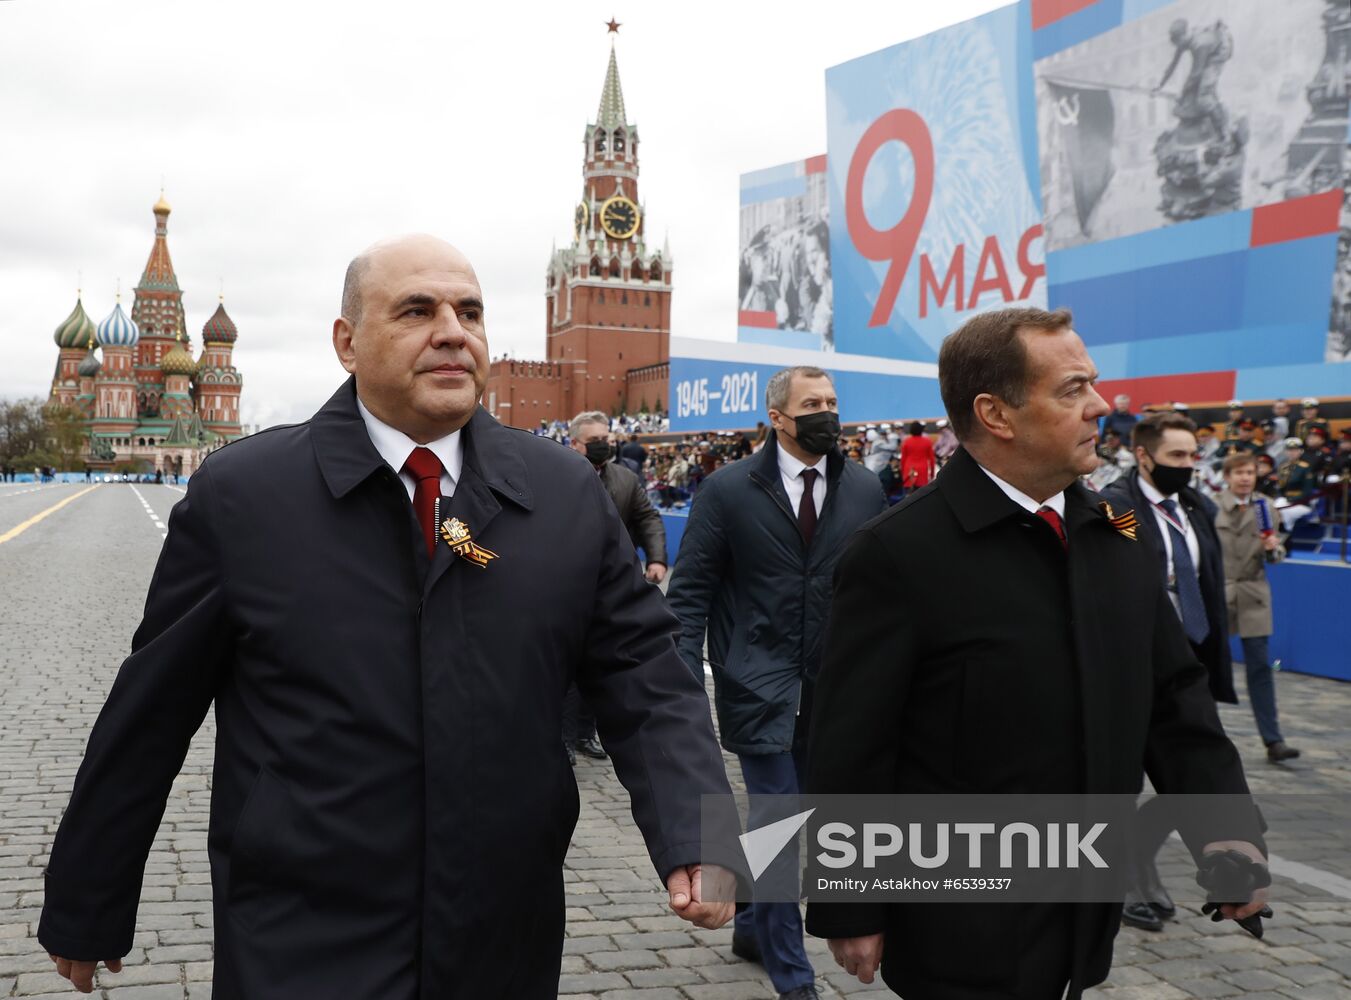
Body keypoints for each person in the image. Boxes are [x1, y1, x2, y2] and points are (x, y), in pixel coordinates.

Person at [39, 235, 736, 999]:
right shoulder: (246, 498)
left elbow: (647, 674)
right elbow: (150, 712)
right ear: (347, 343)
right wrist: (88, 894)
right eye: (416, 310)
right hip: (302, 940)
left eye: (469, 311)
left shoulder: (562, 494)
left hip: (499, 939)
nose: (451, 330)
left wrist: (699, 834)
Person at [807, 307, 1266, 1000]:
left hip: (1082, 914)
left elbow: (1173, 698)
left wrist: (1224, 831)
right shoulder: (898, 553)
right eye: (1072, 389)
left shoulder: (1118, 536)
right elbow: (850, 743)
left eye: (1093, 384)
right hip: (958, 924)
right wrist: (852, 902)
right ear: (996, 413)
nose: (1099, 406)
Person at [668, 365, 885, 1000]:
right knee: (778, 823)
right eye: (812, 403)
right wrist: (684, 690)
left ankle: (753, 929)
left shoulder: (866, 489)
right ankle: (794, 980)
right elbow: (689, 599)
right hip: (756, 685)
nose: (828, 413)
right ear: (777, 417)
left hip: (833, 693)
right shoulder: (728, 490)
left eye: (833, 401)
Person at [1100, 410, 1234, 932]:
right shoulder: (1118, 508)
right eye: (1176, 456)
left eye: (1193, 455)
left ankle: (1137, 857)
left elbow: (1204, 578)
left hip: (1189, 662)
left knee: (1191, 778)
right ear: (1144, 455)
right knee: (1123, 781)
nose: (1188, 465)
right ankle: (1125, 883)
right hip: (1134, 665)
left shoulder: (1196, 506)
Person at [561, 409, 668, 763]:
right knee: (563, 666)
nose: (604, 446)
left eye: (607, 440)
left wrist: (656, 558)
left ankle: (583, 734)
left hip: (611, 586)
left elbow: (646, 517)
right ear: (575, 443)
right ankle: (559, 737)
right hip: (564, 584)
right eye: (595, 442)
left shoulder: (625, 478)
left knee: (600, 660)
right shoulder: (555, 474)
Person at [1214, 452, 1300, 762]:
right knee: (1207, 667)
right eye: (1239, 472)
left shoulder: (1266, 508)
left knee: (1261, 668)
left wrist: (1272, 548)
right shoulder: (1210, 506)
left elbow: (1276, 558)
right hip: (1219, 593)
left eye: (1250, 472)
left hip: (1254, 594)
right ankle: (1201, 737)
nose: (1245, 477)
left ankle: (1273, 740)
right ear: (1227, 476)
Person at [898, 420, 936, 493]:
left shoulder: (906, 441)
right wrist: (932, 474)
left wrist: (903, 474)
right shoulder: (927, 441)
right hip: (922, 471)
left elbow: (903, 459)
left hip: (909, 470)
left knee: (908, 496)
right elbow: (932, 459)